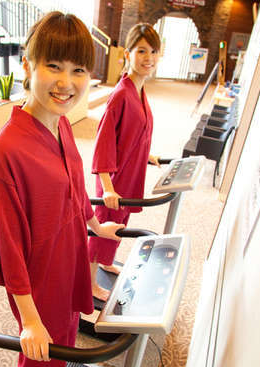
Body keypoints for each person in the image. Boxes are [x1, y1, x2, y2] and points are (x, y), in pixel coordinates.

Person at [0, 11, 125, 367]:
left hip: (70, 254)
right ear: (28, 65)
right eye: (54, 66)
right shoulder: (6, 151)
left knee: (66, 326)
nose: (66, 82)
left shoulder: (61, 124)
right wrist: (28, 317)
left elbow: (74, 189)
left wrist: (95, 226)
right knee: (40, 340)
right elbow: (7, 243)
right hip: (36, 274)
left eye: (78, 70)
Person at [88, 23, 162, 301]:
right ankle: (89, 284)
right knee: (103, 228)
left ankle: (106, 263)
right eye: (141, 51)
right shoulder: (120, 94)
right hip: (114, 180)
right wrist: (107, 188)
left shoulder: (139, 90)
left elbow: (134, 132)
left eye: (153, 51)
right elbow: (104, 143)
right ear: (128, 54)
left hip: (130, 175)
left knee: (120, 224)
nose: (148, 57)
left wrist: (146, 154)